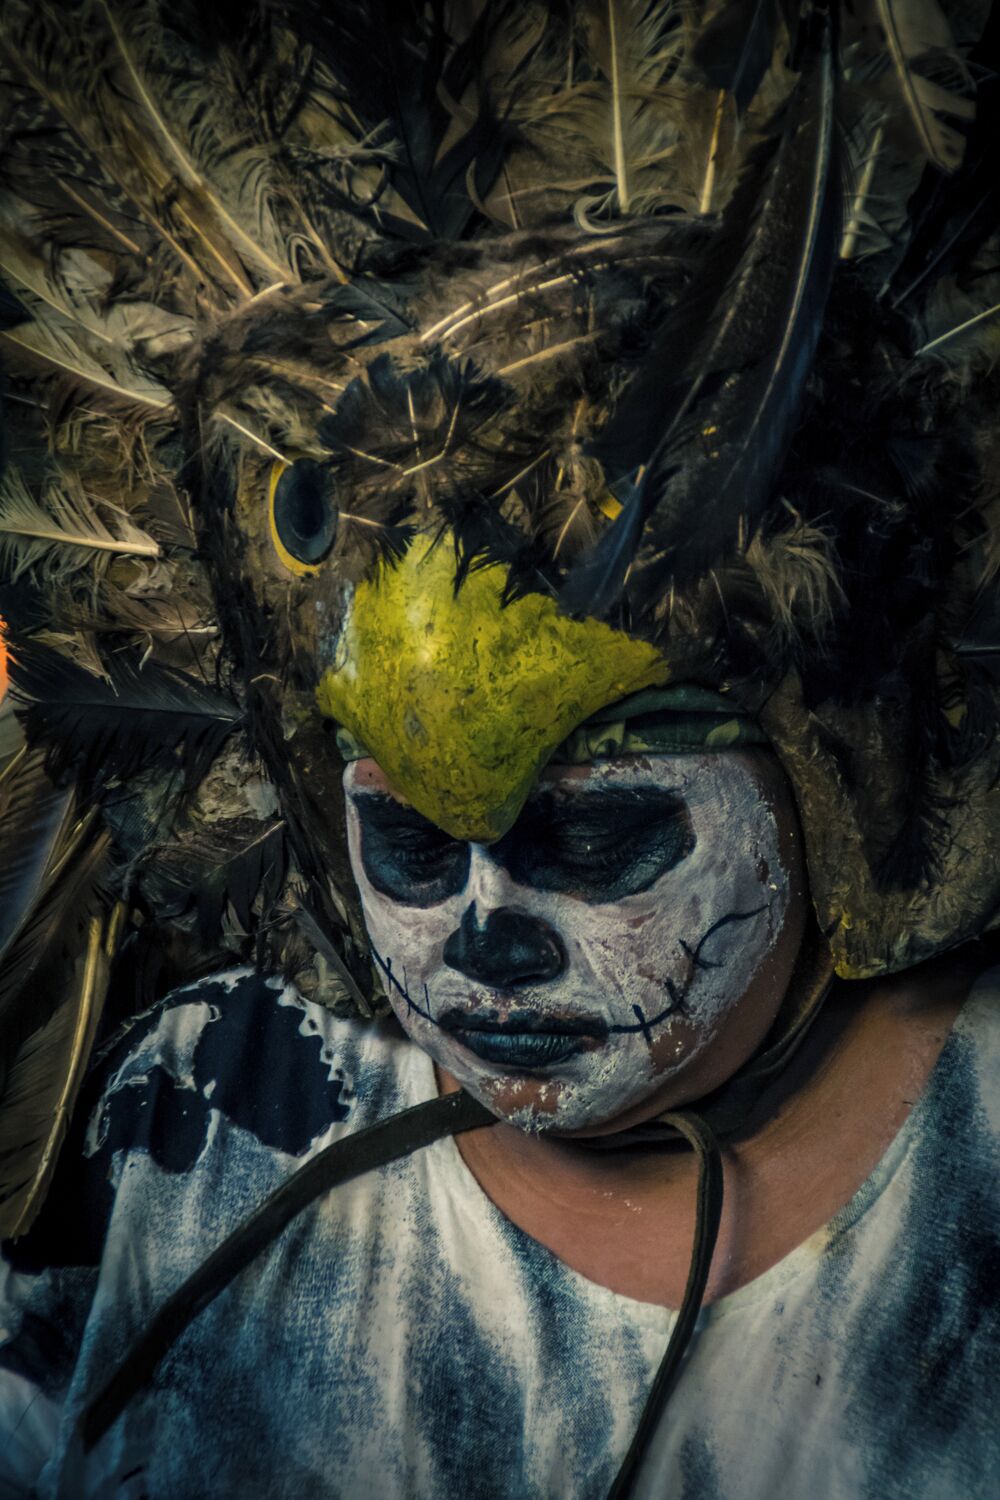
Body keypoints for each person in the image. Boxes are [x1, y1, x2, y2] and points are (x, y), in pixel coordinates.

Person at [1, 1, 999, 1496]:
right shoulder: (216, 1097)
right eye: (405, 847)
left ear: (825, 791)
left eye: (597, 840)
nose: (487, 941)